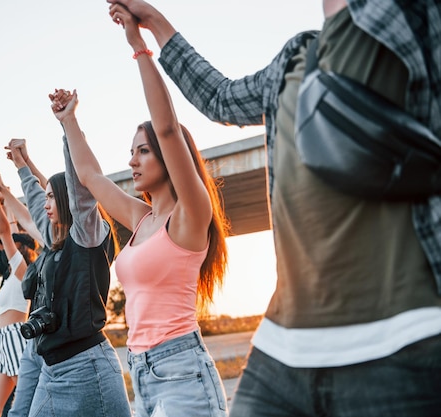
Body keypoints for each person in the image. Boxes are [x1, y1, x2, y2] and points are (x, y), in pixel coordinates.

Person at [107, 0, 441, 416]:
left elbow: (168, 132)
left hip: (405, 341)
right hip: (285, 348)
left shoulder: (416, 24)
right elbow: (219, 97)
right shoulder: (294, 61)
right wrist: (151, 24)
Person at [48, 5, 230, 416]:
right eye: (131, 152)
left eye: (143, 152)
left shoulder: (189, 217)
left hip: (182, 370)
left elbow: (166, 129)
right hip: (142, 371)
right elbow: (91, 178)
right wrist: (69, 122)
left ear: (168, 158)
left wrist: (139, 47)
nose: (132, 161)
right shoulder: (140, 219)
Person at [3, 135, 132, 416]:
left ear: (66, 198)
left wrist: (67, 128)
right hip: (53, 363)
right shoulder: (55, 240)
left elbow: (79, 192)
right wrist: (22, 168)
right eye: (46, 196)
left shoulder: (87, 237)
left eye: (52, 196)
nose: (46, 203)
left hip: (88, 365)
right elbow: (36, 205)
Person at [0, 176, 40, 417]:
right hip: (3, 342)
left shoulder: (22, 270)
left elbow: (5, 232)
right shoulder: (10, 275)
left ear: (22, 250)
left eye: (14, 246)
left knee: (29, 404)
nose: (8, 249)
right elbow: (4, 234)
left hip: (17, 338)